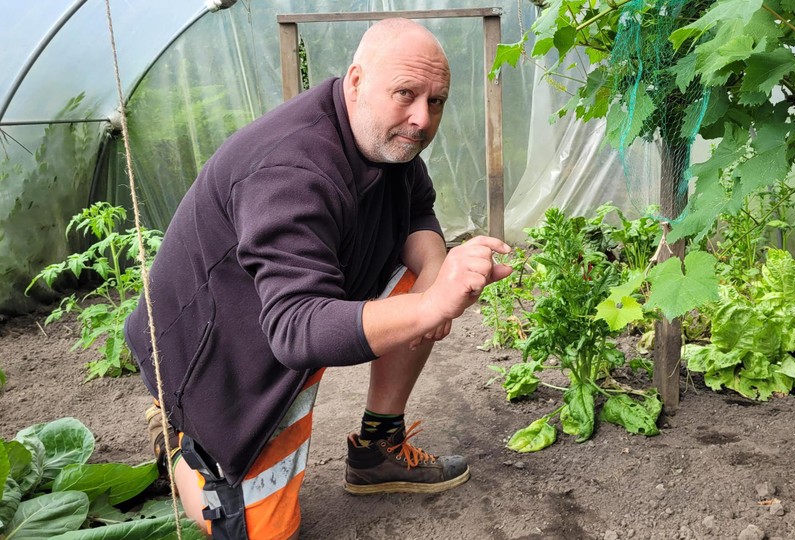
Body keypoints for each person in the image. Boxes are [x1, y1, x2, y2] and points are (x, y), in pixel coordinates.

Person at [125, 18, 512, 540]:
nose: (422, 119)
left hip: (291, 306)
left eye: (436, 101)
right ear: (355, 82)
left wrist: (433, 278)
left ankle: (378, 448)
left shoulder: (385, 135)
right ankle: (174, 437)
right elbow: (295, 329)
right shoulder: (292, 170)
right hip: (216, 351)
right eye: (406, 94)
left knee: (420, 282)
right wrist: (430, 305)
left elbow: (418, 213)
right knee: (258, 532)